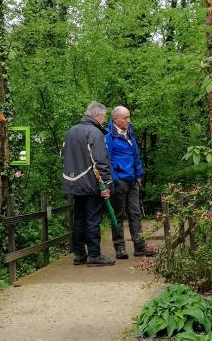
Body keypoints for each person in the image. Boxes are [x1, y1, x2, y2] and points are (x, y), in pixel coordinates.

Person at [61, 102, 115, 267]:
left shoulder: (71, 131)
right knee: (93, 218)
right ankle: (94, 255)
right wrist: (106, 185)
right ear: (97, 116)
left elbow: (63, 156)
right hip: (92, 183)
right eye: (104, 116)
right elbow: (101, 160)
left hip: (73, 183)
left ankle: (79, 254)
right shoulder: (95, 133)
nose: (105, 120)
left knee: (79, 219)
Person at [105, 106, 156, 259]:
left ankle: (140, 246)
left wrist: (139, 174)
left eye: (129, 117)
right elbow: (107, 161)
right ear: (115, 119)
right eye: (125, 118)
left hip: (133, 180)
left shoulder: (129, 132)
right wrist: (114, 179)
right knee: (118, 215)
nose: (129, 120)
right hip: (119, 180)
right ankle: (120, 248)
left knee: (135, 213)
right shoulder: (109, 136)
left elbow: (136, 155)